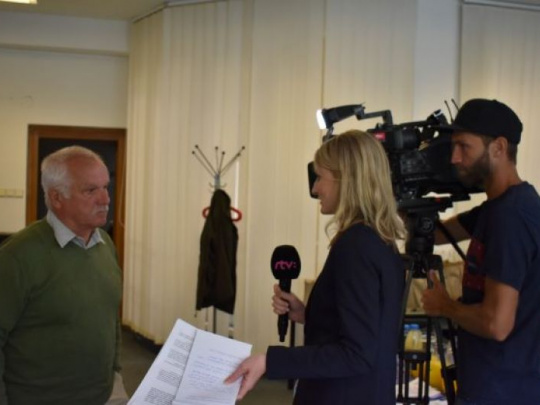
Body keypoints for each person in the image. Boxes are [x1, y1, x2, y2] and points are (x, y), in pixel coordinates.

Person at [226, 130, 406, 404]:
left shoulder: (355, 246)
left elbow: (356, 353)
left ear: (346, 179)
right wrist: (309, 314)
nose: (315, 189)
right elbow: (368, 328)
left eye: (320, 177)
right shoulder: (381, 242)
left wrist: (269, 361)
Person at [421, 99, 540, 404]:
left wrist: (445, 306)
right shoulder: (498, 208)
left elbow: (496, 324)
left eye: (464, 147)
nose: (455, 158)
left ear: (498, 148)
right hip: (494, 386)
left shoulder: (512, 217)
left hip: (504, 392)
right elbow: (436, 233)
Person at [0, 146, 127, 404]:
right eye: (90, 190)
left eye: (106, 187)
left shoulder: (105, 244)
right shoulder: (17, 256)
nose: (105, 199)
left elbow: (108, 314)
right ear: (57, 197)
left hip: (102, 394)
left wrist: (114, 369)